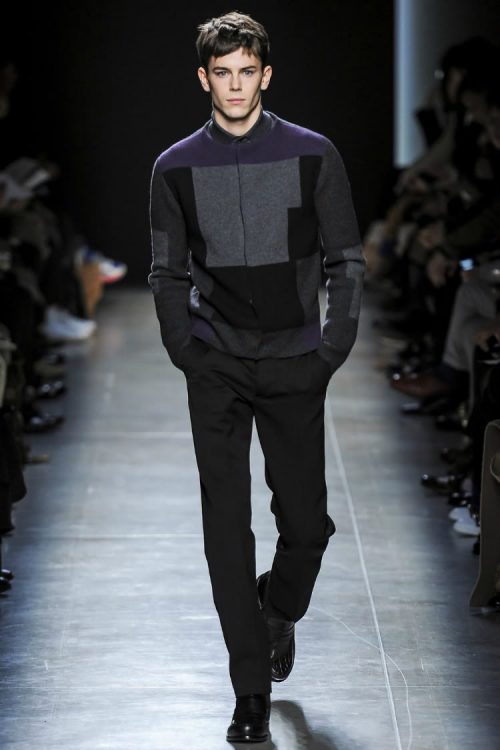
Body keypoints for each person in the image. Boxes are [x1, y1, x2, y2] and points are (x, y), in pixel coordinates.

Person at [149, 11, 364, 743]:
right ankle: (249, 691)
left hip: (296, 359)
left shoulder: (313, 154)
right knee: (225, 531)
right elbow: (165, 269)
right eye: (223, 73)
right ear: (203, 78)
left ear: (265, 75)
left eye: (247, 72)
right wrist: (185, 348)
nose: (236, 86)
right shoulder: (175, 167)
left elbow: (346, 258)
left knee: (304, 524)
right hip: (215, 361)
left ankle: (280, 609)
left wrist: (332, 349)